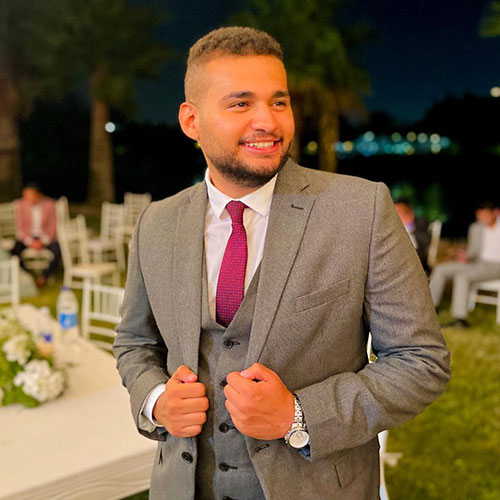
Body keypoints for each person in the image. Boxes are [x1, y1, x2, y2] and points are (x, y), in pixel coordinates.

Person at [113, 27, 450, 500]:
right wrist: (155, 400)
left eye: (278, 101)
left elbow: (421, 360)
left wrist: (300, 415)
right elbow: (135, 342)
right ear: (191, 121)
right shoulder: (157, 222)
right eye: (240, 103)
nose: (268, 122)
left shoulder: (362, 210)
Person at [430, 200, 500, 327]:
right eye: (479, 216)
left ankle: (460, 319)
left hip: (496, 266)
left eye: (485, 215)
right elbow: (473, 251)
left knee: (462, 277)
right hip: (477, 263)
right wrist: (465, 255)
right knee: (441, 269)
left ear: (495, 212)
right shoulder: (476, 228)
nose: (482, 219)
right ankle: (430, 307)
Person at [11, 183, 61, 288]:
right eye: (25, 195)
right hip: (28, 237)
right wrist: (30, 242)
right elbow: (20, 226)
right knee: (14, 252)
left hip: (45, 237)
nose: (26, 198)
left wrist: (42, 241)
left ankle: (44, 277)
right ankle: (28, 276)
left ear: (38, 195)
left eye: (29, 195)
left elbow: (53, 226)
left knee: (58, 251)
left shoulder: (50, 204)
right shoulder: (20, 204)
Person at [394, 199, 431, 272]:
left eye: (399, 213)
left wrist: (408, 227)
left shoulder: (419, 226)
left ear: (409, 214)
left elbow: (425, 243)